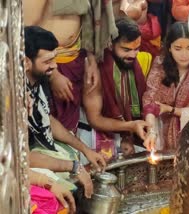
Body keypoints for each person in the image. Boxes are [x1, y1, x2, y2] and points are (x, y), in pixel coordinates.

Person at [25, 26, 106, 198]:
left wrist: (86, 150)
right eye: (47, 62)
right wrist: (73, 166)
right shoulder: (13, 95)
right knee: (65, 184)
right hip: (17, 168)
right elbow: (23, 157)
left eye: (54, 59)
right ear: (26, 62)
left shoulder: (38, 79)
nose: (54, 66)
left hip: (34, 151)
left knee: (72, 153)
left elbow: (47, 120)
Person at [23, 0, 99, 133]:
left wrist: (91, 60)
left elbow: (86, 18)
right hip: (45, 66)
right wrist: (54, 74)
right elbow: (27, 31)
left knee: (70, 131)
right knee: (47, 126)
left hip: (75, 60)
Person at [82, 17, 152, 158]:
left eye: (136, 49)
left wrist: (130, 133)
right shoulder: (95, 72)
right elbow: (95, 119)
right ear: (110, 44)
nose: (133, 55)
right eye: (126, 49)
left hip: (129, 135)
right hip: (96, 139)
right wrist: (130, 127)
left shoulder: (134, 65)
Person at [143, 22, 189, 151]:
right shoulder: (160, 65)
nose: (184, 54)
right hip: (162, 130)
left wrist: (170, 109)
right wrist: (151, 132)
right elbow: (150, 102)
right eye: (178, 48)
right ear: (169, 47)